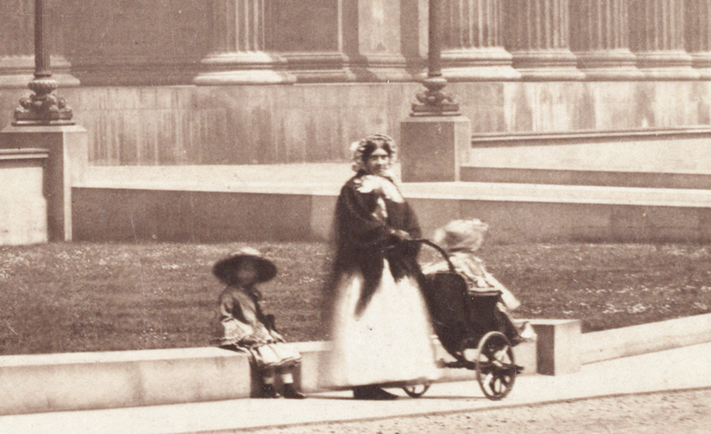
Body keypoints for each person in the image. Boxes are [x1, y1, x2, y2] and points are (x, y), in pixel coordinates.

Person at [323, 133, 441, 399]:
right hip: (367, 267)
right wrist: (388, 234)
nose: (380, 161)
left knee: (394, 322)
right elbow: (356, 224)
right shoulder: (353, 189)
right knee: (369, 320)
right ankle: (365, 383)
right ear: (363, 160)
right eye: (374, 157)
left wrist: (408, 237)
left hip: (394, 263)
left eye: (384, 157)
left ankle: (384, 376)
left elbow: (410, 221)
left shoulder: (392, 187)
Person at [212, 247, 305, 398]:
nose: (249, 274)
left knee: (283, 352)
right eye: (244, 270)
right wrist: (242, 335)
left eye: (253, 270)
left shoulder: (252, 293)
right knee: (266, 355)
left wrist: (270, 329)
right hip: (248, 333)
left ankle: (288, 386)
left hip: (262, 332)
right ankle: (267, 387)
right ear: (233, 272)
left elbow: (259, 316)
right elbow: (225, 317)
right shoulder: (230, 294)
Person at [426, 218, 533, 345]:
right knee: (495, 303)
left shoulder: (444, 265)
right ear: (473, 243)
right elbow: (488, 284)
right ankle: (513, 332)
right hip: (475, 314)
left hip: (449, 319)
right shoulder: (471, 263)